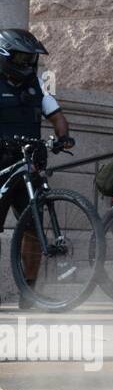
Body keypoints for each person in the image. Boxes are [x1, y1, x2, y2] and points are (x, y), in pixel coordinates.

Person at [0, 29, 74, 309]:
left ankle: (28, 294)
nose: (28, 63)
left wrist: (63, 136)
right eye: (21, 57)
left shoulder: (35, 85)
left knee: (32, 229)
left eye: (31, 58)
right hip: (2, 164)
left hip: (29, 167)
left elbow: (57, 116)